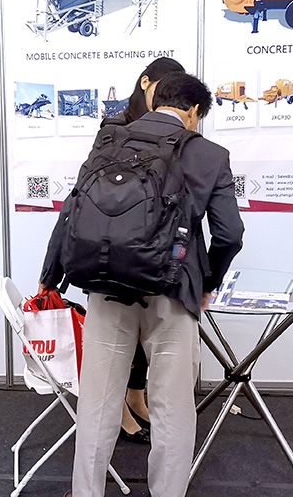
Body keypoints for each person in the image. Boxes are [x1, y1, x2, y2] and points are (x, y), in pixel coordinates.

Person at [40, 71, 245, 497]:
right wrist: (207, 282)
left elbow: (71, 210)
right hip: (173, 291)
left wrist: (51, 276)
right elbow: (229, 234)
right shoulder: (209, 154)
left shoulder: (108, 139)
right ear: (194, 112)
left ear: (154, 101)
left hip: (106, 286)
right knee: (172, 408)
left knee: (97, 404)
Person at [114, 57, 186, 445]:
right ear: (145, 83)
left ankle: (136, 396)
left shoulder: (174, 131)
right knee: (122, 330)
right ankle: (120, 410)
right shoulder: (117, 127)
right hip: (122, 245)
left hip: (157, 245)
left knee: (147, 331)